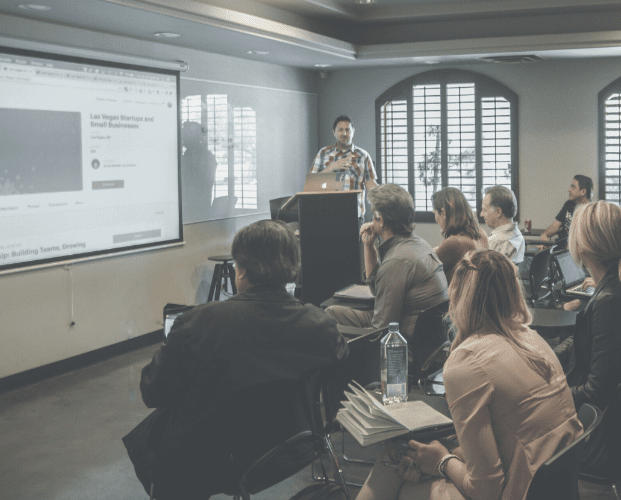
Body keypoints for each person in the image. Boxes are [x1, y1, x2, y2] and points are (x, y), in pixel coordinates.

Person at [122, 220, 348, 500]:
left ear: (240, 271)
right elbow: (339, 360)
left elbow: (152, 391)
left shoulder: (198, 323)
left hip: (211, 462)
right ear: (293, 268)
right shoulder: (319, 324)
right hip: (292, 447)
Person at [355, 250, 583, 500]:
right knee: (403, 456)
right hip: (549, 485)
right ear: (513, 291)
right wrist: (447, 456)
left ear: (457, 298)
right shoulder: (532, 339)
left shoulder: (467, 363)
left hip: (520, 490)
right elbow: (508, 442)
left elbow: (487, 491)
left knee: (399, 476)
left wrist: (441, 461)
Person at [553, 200, 621, 476]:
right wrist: (546, 356)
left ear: (584, 245)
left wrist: (547, 395)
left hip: (597, 438)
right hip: (609, 424)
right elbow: (588, 343)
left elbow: (595, 392)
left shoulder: (610, 301)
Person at [327, 184, 448, 338]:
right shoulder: (419, 244)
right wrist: (369, 246)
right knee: (332, 312)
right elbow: (377, 290)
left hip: (403, 344)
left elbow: (380, 331)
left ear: (381, 220)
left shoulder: (397, 261)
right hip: (426, 339)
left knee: (328, 321)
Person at [310, 115, 378, 220]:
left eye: (347, 130)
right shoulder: (323, 153)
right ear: (334, 132)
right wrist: (332, 167)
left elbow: (371, 185)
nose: (344, 133)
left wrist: (386, 199)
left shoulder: (363, 156)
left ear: (353, 131)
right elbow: (311, 184)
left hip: (354, 217)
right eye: (340, 130)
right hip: (326, 215)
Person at [431, 187, 488, 282]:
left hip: (457, 296)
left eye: (435, 213)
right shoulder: (481, 234)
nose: (436, 218)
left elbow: (425, 271)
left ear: (443, 213)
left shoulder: (454, 242)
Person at [539, 174, 593, 248]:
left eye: (573, 187)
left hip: (574, 252)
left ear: (583, 192)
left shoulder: (592, 211)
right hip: (559, 246)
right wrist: (545, 235)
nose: (569, 189)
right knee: (530, 256)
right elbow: (556, 225)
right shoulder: (569, 204)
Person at [480, 185, 525, 265]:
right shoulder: (518, 235)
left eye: (484, 210)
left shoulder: (495, 242)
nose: (481, 214)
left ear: (498, 212)